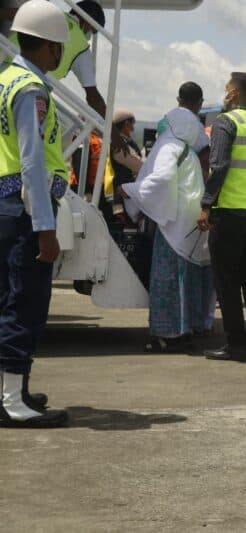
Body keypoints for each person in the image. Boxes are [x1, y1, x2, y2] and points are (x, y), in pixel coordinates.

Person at [0, 0, 69, 427]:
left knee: (7, 300)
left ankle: (13, 389)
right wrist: (44, 226)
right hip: (25, 209)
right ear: (46, 46)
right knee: (24, 303)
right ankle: (11, 402)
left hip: (6, 204)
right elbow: (32, 162)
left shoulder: (5, 79)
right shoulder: (31, 89)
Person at [122, 107, 213, 353]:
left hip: (173, 225)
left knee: (167, 279)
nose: (162, 123)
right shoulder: (188, 151)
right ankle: (184, 331)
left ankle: (167, 335)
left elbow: (161, 180)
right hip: (188, 224)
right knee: (185, 281)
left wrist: (130, 190)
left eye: (166, 120)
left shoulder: (169, 146)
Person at [198, 72, 246, 362]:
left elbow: (219, 165)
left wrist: (206, 204)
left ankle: (236, 344)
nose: (224, 93)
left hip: (229, 211)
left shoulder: (225, 122)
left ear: (235, 94)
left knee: (226, 280)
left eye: (227, 89)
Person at [108, 108, 144, 220]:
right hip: (124, 192)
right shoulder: (119, 145)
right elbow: (138, 165)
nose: (133, 128)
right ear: (127, 124)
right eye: (132, 124)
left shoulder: (121, 142)